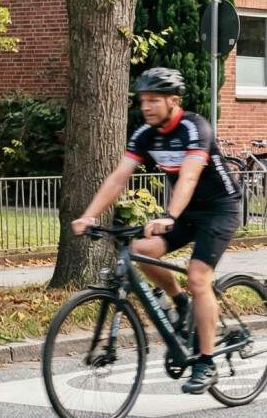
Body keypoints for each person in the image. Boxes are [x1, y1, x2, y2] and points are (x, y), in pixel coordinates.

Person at [72, 67, 243, 394]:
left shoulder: (194, 128)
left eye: (154, 100)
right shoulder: (146, 134)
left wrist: (168, 215)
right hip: (186, 211)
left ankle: (207, 362)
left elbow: (189, 177)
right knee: (139, 250)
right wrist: (89, 216)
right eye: (143, 101)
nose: (146, 107)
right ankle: (181, 303)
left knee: (198, 278)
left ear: (173, 101)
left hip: (219, 210)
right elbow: (118, 178)